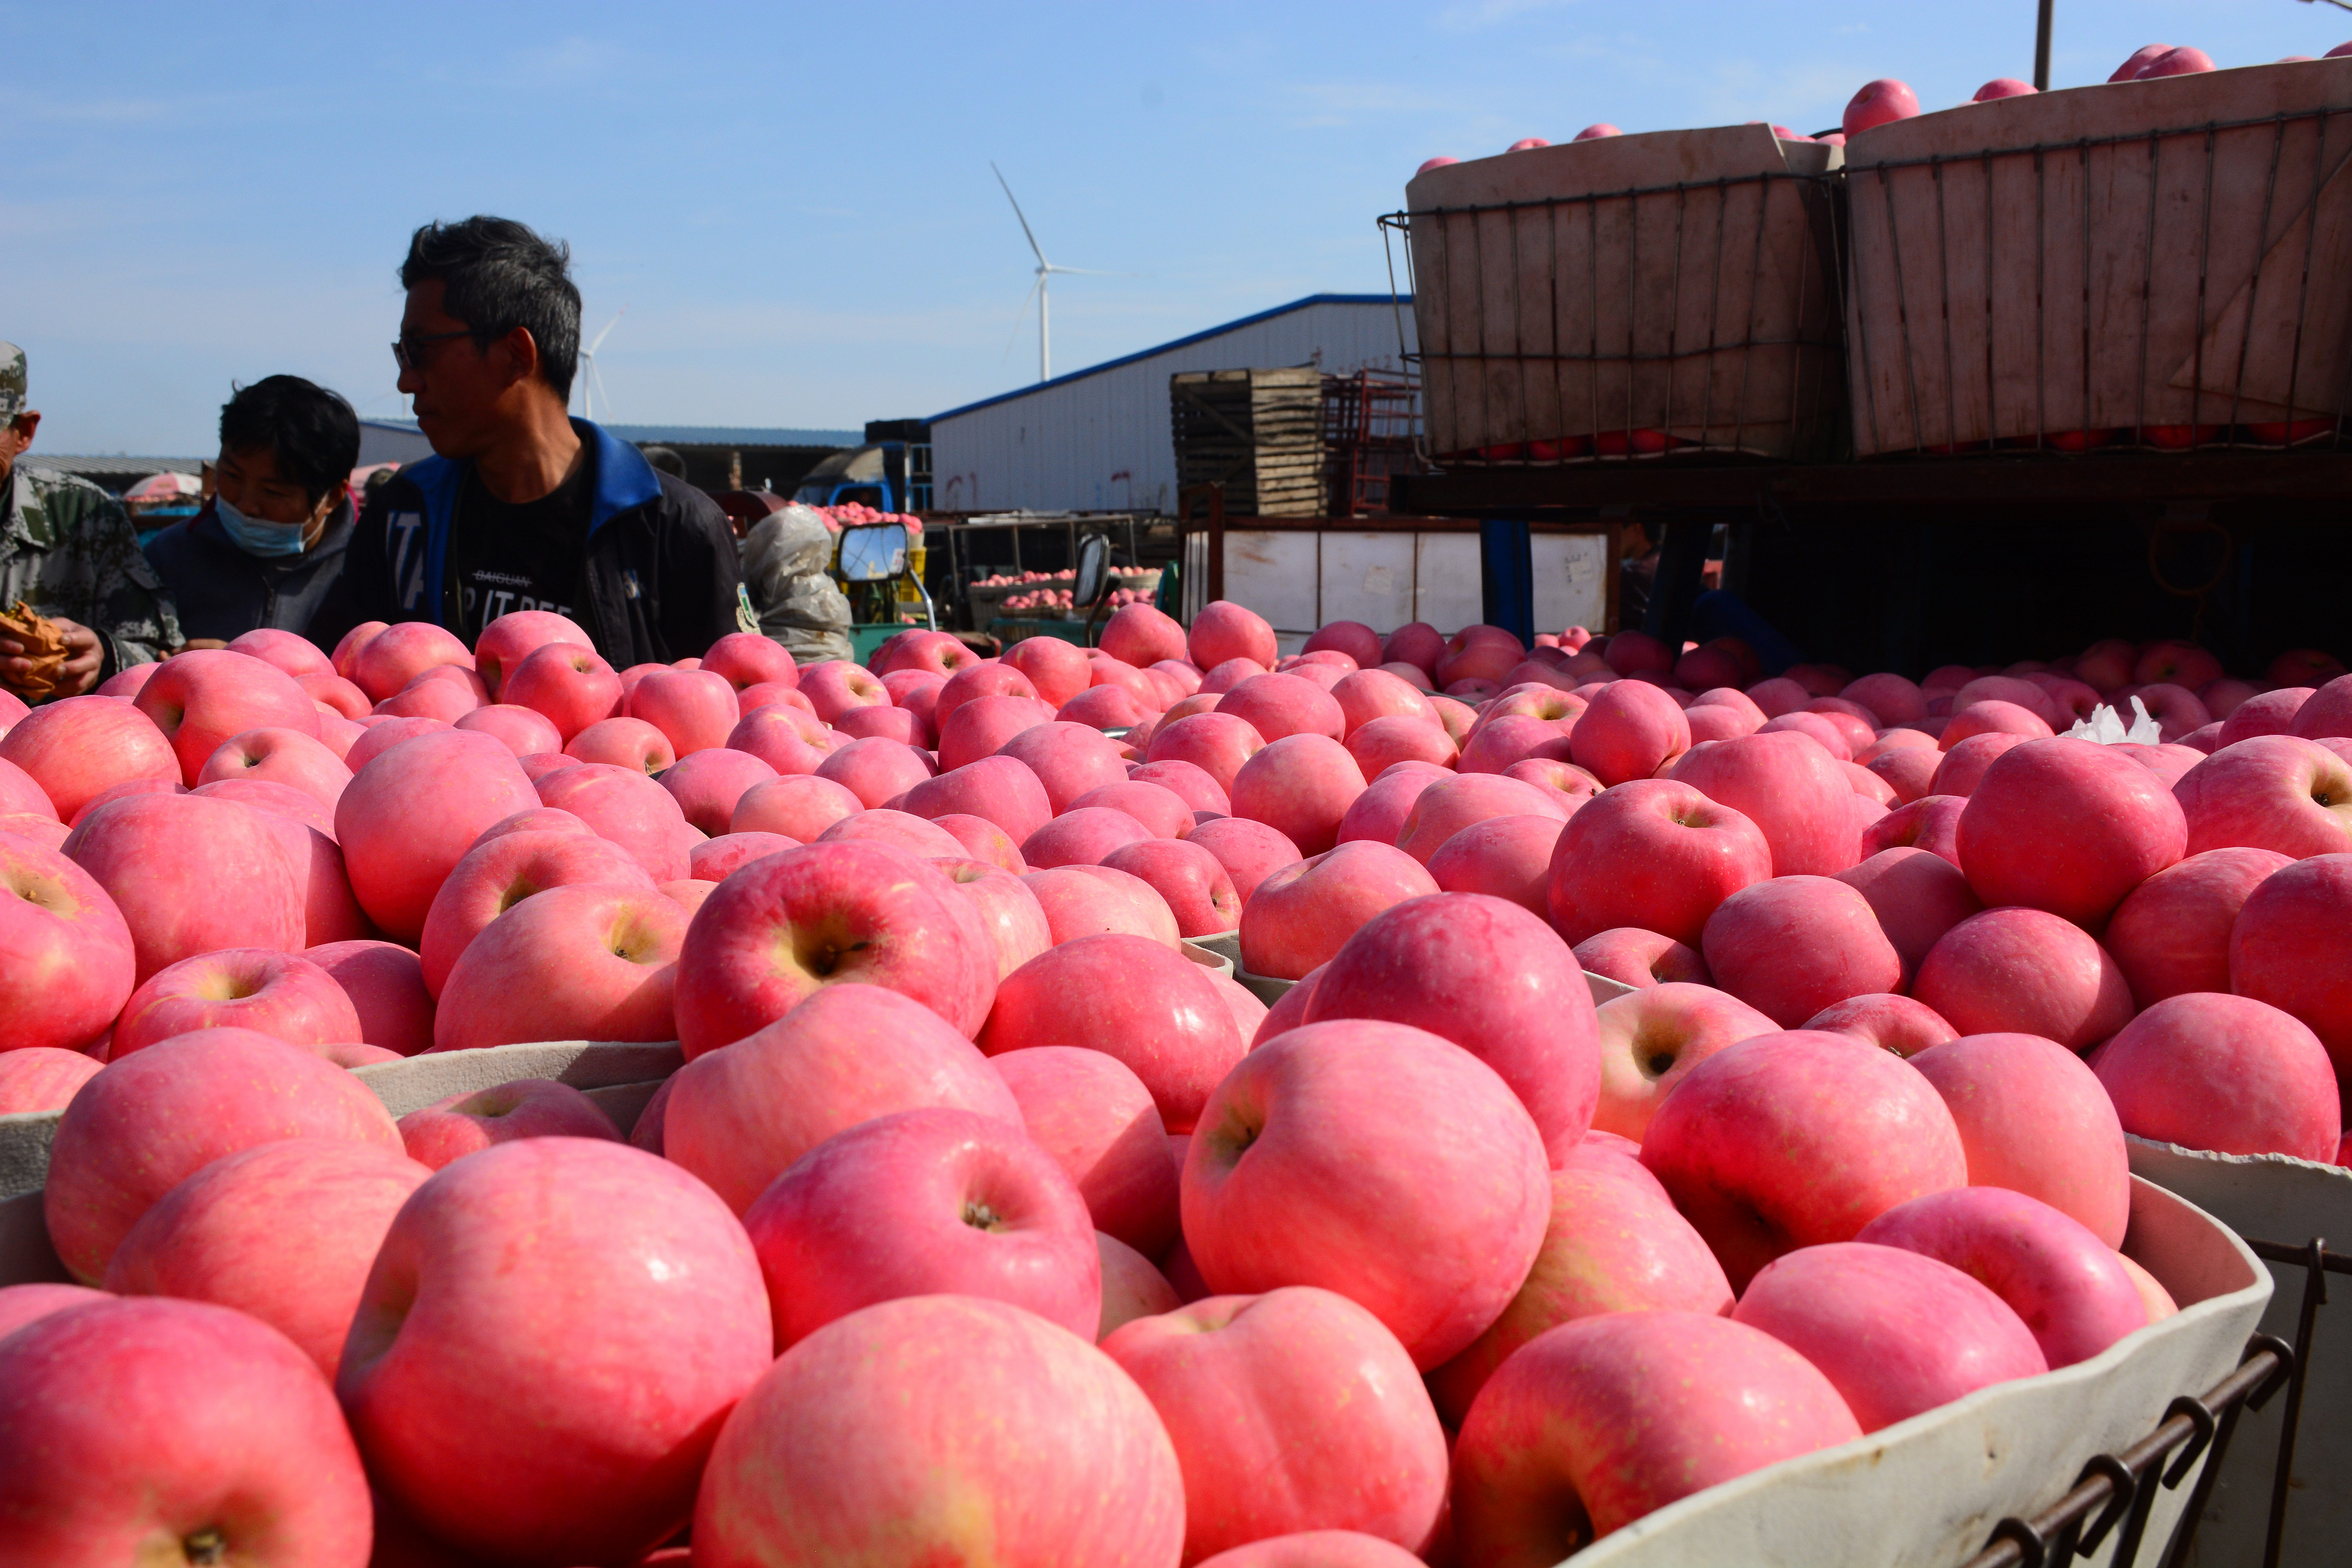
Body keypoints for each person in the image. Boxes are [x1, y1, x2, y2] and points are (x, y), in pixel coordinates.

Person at [343, 217, 752, 662]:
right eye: (401, 354)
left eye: (420, 350)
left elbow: (728, 705)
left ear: (517, 355)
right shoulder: (403, 516)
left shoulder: (675, 530)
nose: (406, 382)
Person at [0, 341, 180, 698]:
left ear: (23, 432)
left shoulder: (84, 516)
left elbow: (162, 659)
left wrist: (104, 657)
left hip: (59, 746)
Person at [144, 375, 363, 651]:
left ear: (332, 496)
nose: (246, 505)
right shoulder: (167, 556)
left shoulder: (367, 567)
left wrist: (249, 669)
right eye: (232, 476)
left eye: (273, 492)